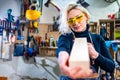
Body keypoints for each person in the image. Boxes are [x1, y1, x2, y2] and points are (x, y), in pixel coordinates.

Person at [56, 2, 115, 80]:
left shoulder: (97, 39)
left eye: (78, 17)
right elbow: (62, 49)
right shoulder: (66, 37)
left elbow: (111, 67)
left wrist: (96, 55)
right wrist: (62, 57)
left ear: (86, 16)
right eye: (71, 21)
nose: (75, 23)